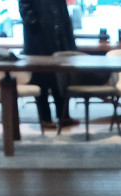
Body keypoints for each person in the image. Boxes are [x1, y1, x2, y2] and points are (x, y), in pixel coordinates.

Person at [18, 0, 78, 128]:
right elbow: (25, 10)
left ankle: (63, 116)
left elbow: (63, 15)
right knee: (41, 82)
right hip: (38, 42)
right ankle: (45, 118)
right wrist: (36, 22)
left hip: (59, 42)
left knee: (61, 81)